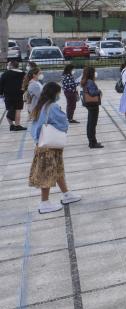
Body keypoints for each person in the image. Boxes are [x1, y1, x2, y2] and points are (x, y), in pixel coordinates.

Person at [28, 82, 81, 214]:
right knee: (47, 173)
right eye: (58, 93)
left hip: (42, 144)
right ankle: (44, 203)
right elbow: (63, 123)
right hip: (49, 147)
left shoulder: (39, 105)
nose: (59, 95)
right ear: (54, 93)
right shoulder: (52, 106)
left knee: (57, 170)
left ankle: (66, 194)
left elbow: (34, 127)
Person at [80, 67, 103, 149]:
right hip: (93, 105)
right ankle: (92, 143)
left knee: (90, 123)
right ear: (91, 73)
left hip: (89, 105)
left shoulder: (86, 81)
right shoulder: (90, 82)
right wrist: (99, 91)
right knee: (92, 124)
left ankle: (92, 141)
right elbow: (92, 93)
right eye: (94, 72)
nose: (95, 74)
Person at [0, 59, 27, 131]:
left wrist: (1, 93)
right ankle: (17, 125)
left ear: (11, 66)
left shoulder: (5, 74)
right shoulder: (23, 73)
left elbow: (1, 84)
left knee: (9, 109)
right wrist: (24, 90)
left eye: (8, 65)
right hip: (18, 94)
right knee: (18, 110)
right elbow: (25, 83)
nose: (7, 66)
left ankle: (11, 125)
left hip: (8, 95)